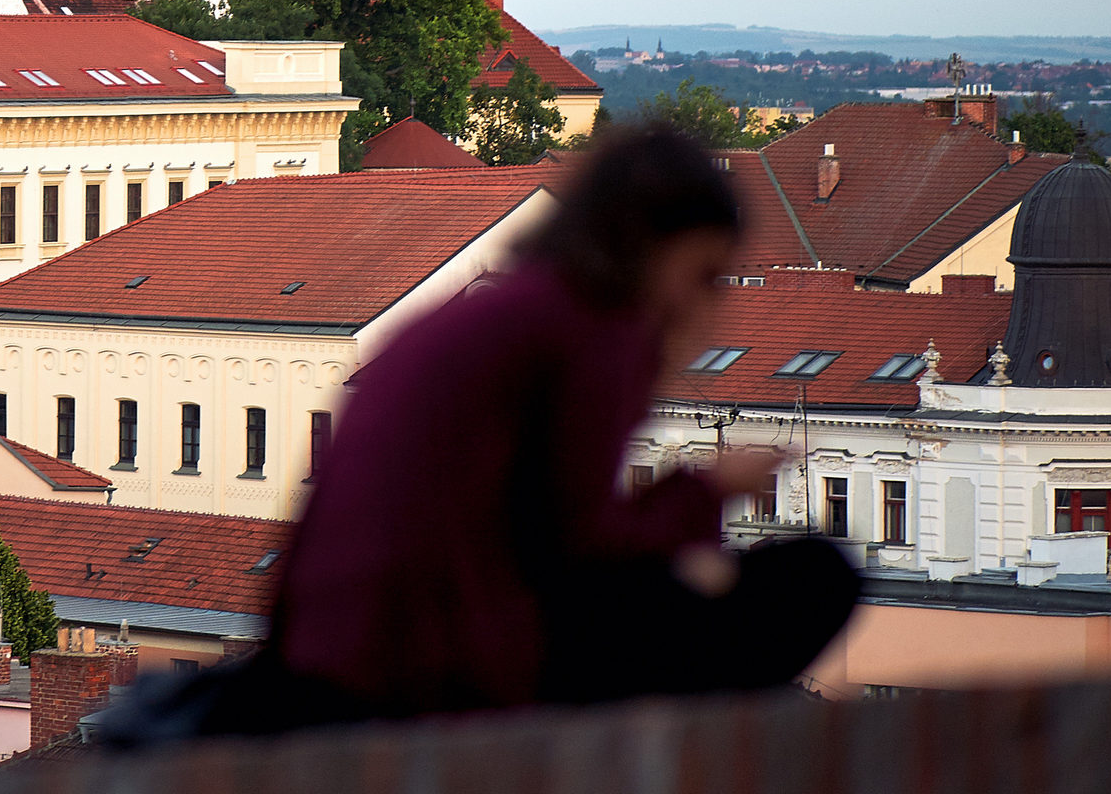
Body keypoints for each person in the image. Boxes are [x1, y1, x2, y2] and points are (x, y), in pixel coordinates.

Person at [179, 127, 858, 737]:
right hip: (435, 671)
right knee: (810, 579)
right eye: (705, 275)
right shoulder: (596, 330)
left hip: (318, 660)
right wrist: (707, 490)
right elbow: (579, 543)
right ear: (649, 248)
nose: (709, 304)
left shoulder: (509, 304)